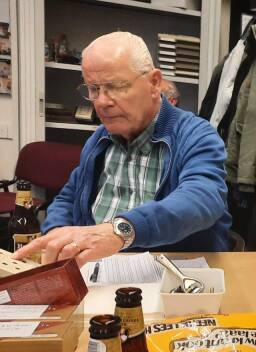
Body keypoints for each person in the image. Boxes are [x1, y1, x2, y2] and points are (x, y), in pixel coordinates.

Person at [13, 32, 231, 266]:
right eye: (94, 89)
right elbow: (69, 196)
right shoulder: (99, 139)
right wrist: (59, 235)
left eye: (116, 87)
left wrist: (120, 231)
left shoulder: (195, 135)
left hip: (170, 271)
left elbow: (202, 198)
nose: (102, 102)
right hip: (94, 269)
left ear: (154, 83)